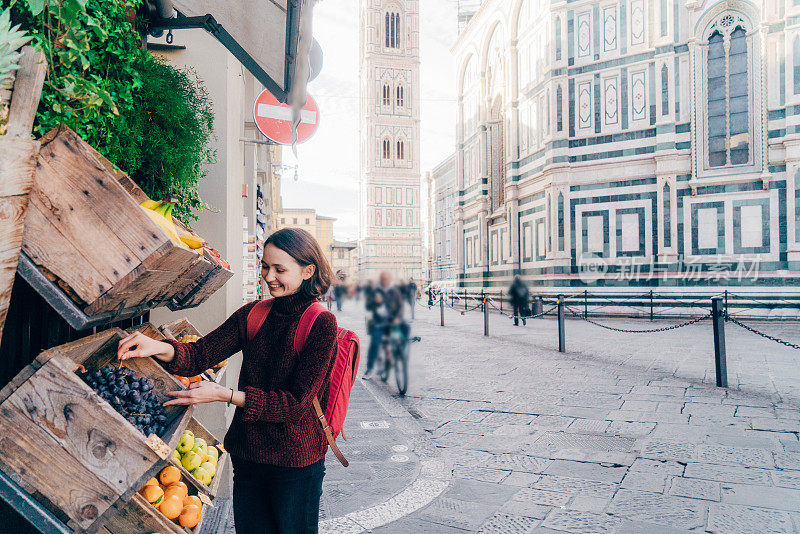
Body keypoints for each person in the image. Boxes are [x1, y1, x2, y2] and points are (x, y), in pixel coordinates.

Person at [117, 228, 337, 534]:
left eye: (280, 269)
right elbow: (200, 354)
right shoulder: (254, 314)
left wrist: (226, 394)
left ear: (308, 271)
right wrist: (159, 346)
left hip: (295, 463)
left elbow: (295, 405)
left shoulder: (321, 323)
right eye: (265, 266)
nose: (269, 276)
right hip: (248, 457)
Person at [363, 271, 406, 379]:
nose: (384, 281)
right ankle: (370, 369)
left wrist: (398, 318)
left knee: (406, 328)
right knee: (375, 343)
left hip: (392, 320)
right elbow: (368, 306)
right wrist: (374, 301)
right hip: (379, 322)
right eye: (383, 279)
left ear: (390, 279)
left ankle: (401, 349)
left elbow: (400, 306)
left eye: (386, 279)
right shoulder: (375, 291)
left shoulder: (395, 291)